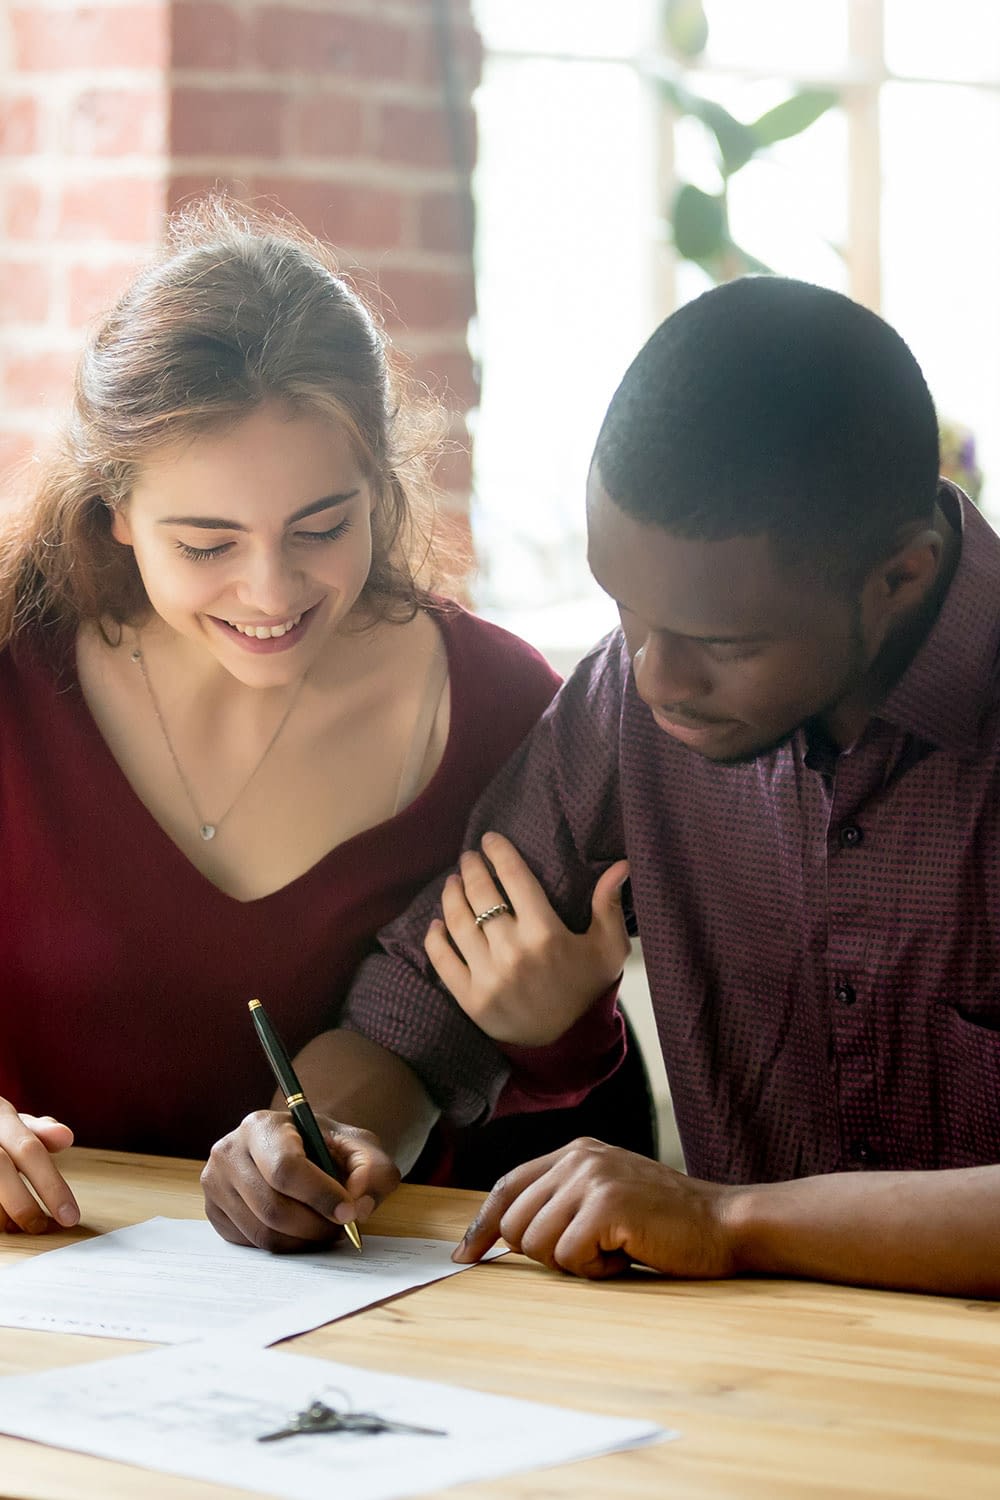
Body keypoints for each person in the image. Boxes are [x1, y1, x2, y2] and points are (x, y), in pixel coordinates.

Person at [203, 274, 1000, 1299]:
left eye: (724, 644)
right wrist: (321, 1139)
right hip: (746, 1398)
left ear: (899, 574)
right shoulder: (633, 694)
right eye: (624, 607)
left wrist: (727, 1217)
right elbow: (412, 1019)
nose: (657, 681)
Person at [0, 198, 655, 1238]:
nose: (270, 593)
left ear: (379, 486)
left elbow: (436, 1047)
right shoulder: (14, 676)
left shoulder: (496, 707)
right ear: (114, 507)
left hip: (357, 1298)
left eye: (321, 526)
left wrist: (550, 1024)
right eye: (206, 544)